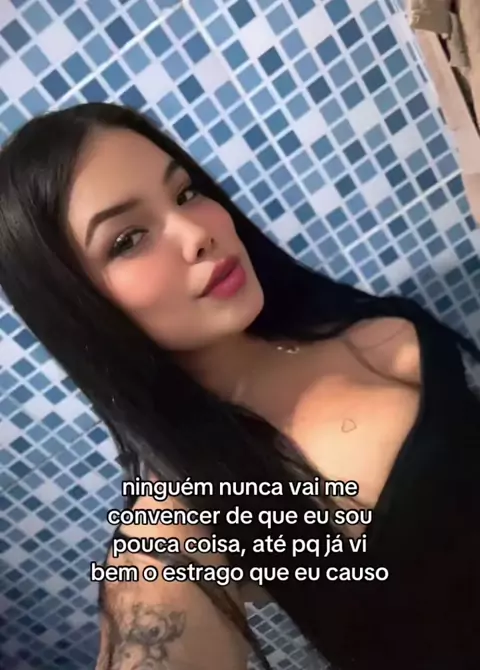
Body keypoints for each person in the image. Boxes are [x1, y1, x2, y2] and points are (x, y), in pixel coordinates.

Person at [0, 103, 478, 670]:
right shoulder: (181, 513)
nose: (197, 232)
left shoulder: (311, 314)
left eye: (184, 193)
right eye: (127, 239)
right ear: (75, 307)